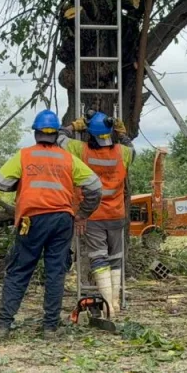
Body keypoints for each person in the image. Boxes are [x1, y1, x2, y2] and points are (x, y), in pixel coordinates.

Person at [0, 109, 102, 338]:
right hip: (62, 220)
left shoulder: (24, 156)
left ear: (36, 133)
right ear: (55, 135)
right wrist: (82, 213)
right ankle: (50, 328)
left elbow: (2, 183)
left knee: (20, 270)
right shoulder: (68, 159)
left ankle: (4, 325)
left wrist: (22, 182)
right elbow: (95, 186)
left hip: (31, 220)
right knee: (55, 273)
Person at [58, 111, 133, 317]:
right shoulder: (123, 153)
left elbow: (58, 138)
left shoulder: (80, 150)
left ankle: (108, 305)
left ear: (89, 134)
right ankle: (116, 303)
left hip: (93, 215)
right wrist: (123, 133)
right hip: (117, 214)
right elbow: (131, 148)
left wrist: (75, 126)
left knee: (98, 258)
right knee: (116, 258)